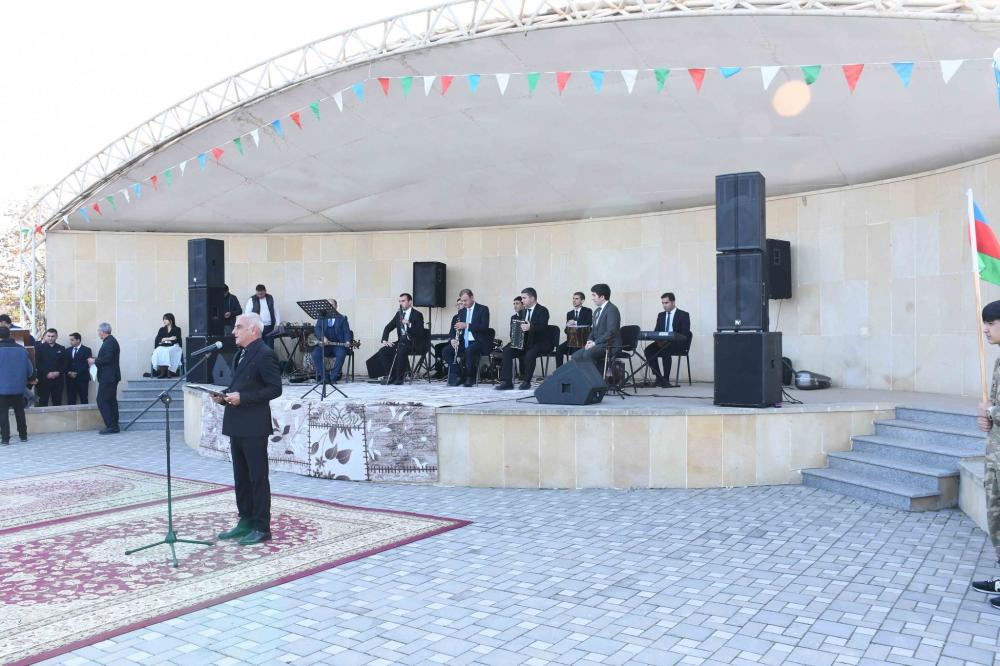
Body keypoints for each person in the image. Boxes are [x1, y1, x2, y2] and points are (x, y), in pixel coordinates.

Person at [213, 313, 283, 545]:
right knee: (241, 477)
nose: (234, 331)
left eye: (238, 327)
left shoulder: (265, 354)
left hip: (254, 426)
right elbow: (241, 385)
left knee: (257, 478)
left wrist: (243, 398)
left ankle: (262, 527)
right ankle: (245, 520)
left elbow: (275, 389)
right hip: (237, 423)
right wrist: (224, 397)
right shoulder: (240, 353)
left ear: (253, 330)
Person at [974, 300, 1000, 610]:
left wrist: (991, 410)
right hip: (995, 455)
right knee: (996, 518)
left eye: (991, 323)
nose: (985, 329)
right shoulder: (998, 362)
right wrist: (987, 418)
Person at [497, 288, 550, 390]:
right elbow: (518, 328)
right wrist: (515, 337)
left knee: (530, 353)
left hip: (538, 342)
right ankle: (507, 382)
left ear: (532, 298)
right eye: (522, 298)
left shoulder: (542, 310)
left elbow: (543, 327)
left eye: (524, 298)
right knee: (507, 351)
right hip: (524, 342)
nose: (522, 300)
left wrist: (531, 327)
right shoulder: (522, 312)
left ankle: (526, 381)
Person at [643, 293, 692, 388]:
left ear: (673, 302)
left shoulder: (683, 315)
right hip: (662, 343)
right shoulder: (661, 315)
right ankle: (658, 378)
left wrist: (670, 340)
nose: (664, 305)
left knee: (665, 349)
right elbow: (656, 332)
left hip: (677, 343)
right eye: (663, 303)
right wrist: (659, 342)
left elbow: (685, 334)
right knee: (648, 350)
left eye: (666, 303)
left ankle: (666, 379)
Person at [375, 293, 426, 385]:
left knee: (401, 349)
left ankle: (399, 378)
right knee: (383, 351)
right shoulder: (399, 314)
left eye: (403, 301)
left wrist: (409, 324)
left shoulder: (417, 315)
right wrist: (385, 340)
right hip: (401, 342)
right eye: (400, 301)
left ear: (410, 302)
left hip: (413, 343)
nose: (401, 303)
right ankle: (392, 376)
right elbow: (388, 327)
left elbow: (420, 332)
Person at [571, 283, 621, 373]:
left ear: (602, 297)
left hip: (609, 345)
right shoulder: (597, 311)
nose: (592, 298)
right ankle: (583, 379)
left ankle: (593, 380)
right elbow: (594, 329)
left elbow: (611, 332)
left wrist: (595, 343)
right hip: (598, 344)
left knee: (587, 354)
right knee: (575, 356)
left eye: (594, 295)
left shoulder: (612, 309)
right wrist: (589, 340)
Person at [0, 326, 33, 444]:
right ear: (9, 335)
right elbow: (30, 370)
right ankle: (23, 436)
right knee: (19, 412)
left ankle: (5, 439)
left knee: (2, 414)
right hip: (19, 388)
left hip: (2, 389)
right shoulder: (22, 350)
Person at [452, 289, 491, 388]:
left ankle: (470, 377)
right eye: (462, 301)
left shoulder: (483, 309)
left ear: (472, 298)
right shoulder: (461, 311)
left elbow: (484, 327)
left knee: (469, 350)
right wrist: (453, 339)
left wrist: (467, 325)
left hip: (478, 341)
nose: (463, 303)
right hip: (464, 341)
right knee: (446, 351)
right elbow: (456, 329)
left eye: (465, 300)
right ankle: (460, 375)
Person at [89, 322, 121, 434]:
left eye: (99, 331)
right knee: (110, 400)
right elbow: (107, 357)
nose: (98, 333)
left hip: (109, 377)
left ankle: (111, 426)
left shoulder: (110, 342)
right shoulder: (110, 341)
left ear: (103, 332)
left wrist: (94, 360)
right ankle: (114, 425)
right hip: (109, 376)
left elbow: (108, 358)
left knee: (102, 400)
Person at [311, 299, 351, 384]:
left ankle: (333, 378)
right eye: (328, 305)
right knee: (315, 354)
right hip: (325, 345)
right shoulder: (322, 317)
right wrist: (322, 337)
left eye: (332, 305)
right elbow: (317, 329)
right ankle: (324, 377)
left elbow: (347, 332)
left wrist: (347, 341)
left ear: (336, 306)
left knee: (341, 354)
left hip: (338, 345)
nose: (330, 306)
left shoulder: (342, 318)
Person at [0, 315, 36, 407]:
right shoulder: (20, 349)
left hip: (15, 366)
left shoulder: (20, 331)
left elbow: (31, 342)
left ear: (3, 322)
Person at [556, 292, 594, 367]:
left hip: (582, 340)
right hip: (571, 340)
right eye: (573, 298)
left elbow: (589, 323)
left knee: (575, 349)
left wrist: (575, 322)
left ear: (582, 301)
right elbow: (566, 331)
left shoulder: (587, 311)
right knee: (559, 349)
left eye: (576, 299)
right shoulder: (569, 313)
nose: (574, 300)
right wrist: (567, 326)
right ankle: (559, 371)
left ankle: (575, 371)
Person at [34, 328, 67, 406]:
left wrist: (58, 372)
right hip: (43, 380)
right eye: (48, 336)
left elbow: (65, 363)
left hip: (58, 380)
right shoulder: (39, 348)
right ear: (45, 336)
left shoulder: (61, 348)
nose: (50, 338)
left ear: (56, 337)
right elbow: (37, 363)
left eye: (53, 336)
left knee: (57, 402)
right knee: (43, 402)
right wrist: (47, 373)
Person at [433, 297, 463, 381]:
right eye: (457, 304)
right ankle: (439, 371)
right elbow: (451, 331)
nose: (458, 306)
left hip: (462, 342)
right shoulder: (455, 317)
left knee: (446, 350)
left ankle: (456, 372)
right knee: (438, 347)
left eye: (460, 304)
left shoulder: (468, 316)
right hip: (454, 341)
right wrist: (452, 339)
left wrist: (458, 340)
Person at [151, 313, 184, 379]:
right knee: (158, 351)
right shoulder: (162, 329)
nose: (164, 321)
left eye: (166, 319)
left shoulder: (177, 329)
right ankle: (162, 372)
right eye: (163, 319)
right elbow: (158, 339)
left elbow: (176, 339)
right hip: (163, 346)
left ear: (171, 320)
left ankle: (169, 371)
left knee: (168, 351)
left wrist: (164, 339)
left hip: (174, 346)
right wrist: (169, 338)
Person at [65, 332, 93, 405]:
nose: (70, 342)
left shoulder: (87, 350)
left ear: (78, 340)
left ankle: (85, 413)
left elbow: (87, 364)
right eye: (70, 340)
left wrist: (77, 373)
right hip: (70, 379)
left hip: (82, 378)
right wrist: (69, 372)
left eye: (72, 340)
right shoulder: (67, 350)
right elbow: (65, 363)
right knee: (71, 399)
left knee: (83, 398)